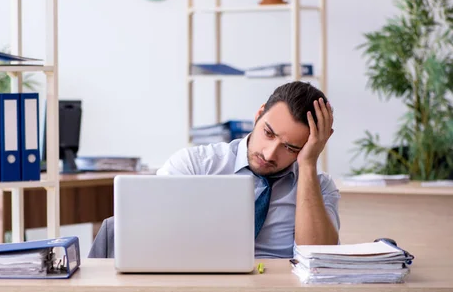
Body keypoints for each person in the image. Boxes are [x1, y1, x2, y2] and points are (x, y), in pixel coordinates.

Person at [88, 81, 339, 259]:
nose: (270, 153)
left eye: (289, 147)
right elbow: (145, 235)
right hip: (195, 290)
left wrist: (307, 165)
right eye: (268, 133)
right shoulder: (196, 164)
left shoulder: (319, 186)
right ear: (259, 114)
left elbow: (319, 260)